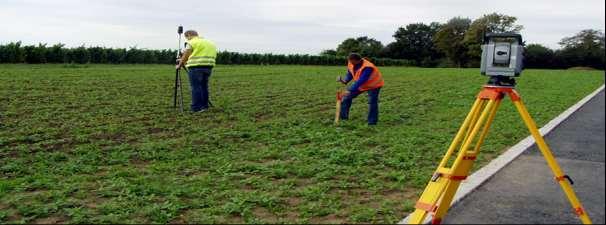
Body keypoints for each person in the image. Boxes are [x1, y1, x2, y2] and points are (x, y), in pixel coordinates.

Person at [176, 30, 217, 112]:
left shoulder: (192, 42)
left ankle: (196, 108)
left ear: (189, 35)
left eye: (187, 37)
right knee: (204, 87)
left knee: (196, 87)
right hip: (208, 66)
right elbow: (197, 54)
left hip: (195, 67)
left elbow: (186, 56)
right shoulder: (209, 43)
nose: (187, 40)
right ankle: (204, 106)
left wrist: (179, 65)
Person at [337, 53, 384, 125]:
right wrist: (344, 80)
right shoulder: (351, 62)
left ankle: (372, 122)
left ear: (357, 60)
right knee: (346, 98)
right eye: (350, 62)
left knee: (372, 102)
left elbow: (361, 80)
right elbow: (350, 73)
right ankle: (343, 118)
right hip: (361, 85)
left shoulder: (368, 67)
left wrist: (349, 90)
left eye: (352, 62)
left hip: (374, 85)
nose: (351, 63)